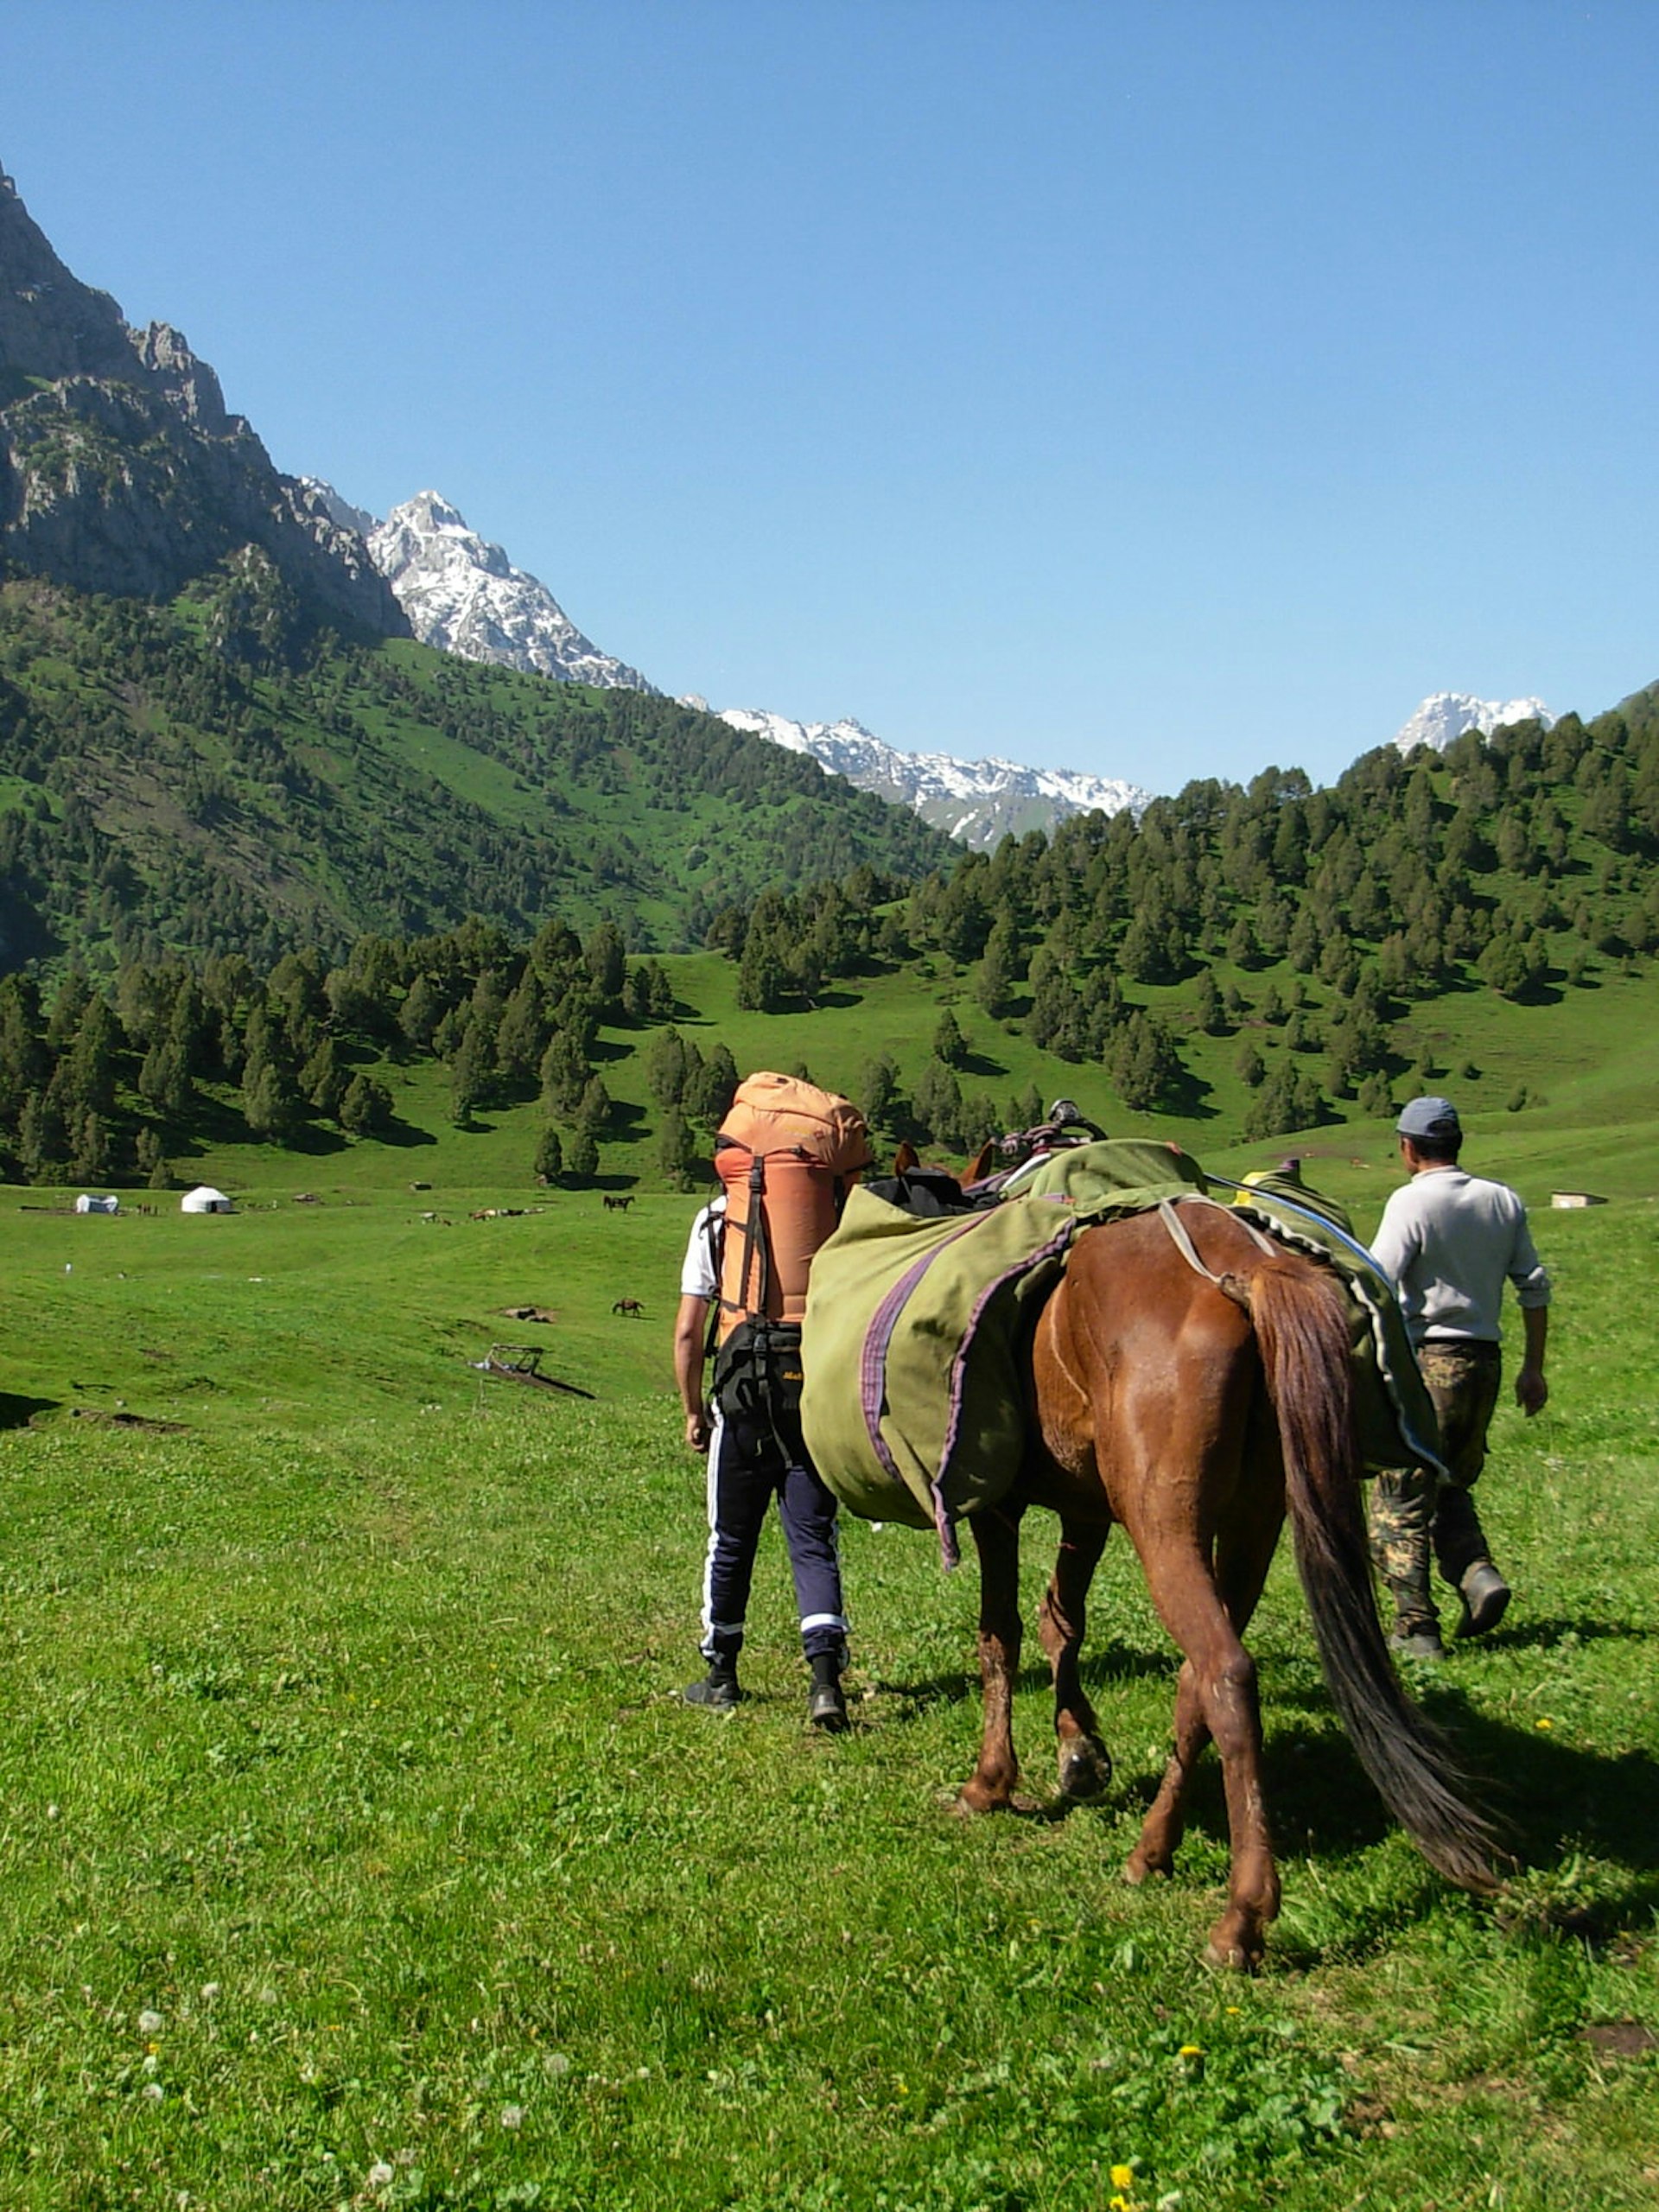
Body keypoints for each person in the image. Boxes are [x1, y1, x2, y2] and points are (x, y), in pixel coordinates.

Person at [1368, 1096, 1552, 1660]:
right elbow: (1535, 1283)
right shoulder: (1502, 1200)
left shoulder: (1411, 1203)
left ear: (1408, 1146)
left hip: (1428, 1362)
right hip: (1486, 1363)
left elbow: (1379, 1278)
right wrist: (1534, 1368)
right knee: (1449, 1482)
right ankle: (1477, 1576)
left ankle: (1416, 1628)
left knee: (1399, 1495)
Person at [673, 1192, 850, 1727]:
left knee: (730, 1539)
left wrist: (691, 1411)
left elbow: (687, 1331)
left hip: (743, 1399)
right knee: (813, 1541)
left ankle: (722, 1675)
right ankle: (824, 1682)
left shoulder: (716, 1220)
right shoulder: (824, 1213)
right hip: (809, 1397)